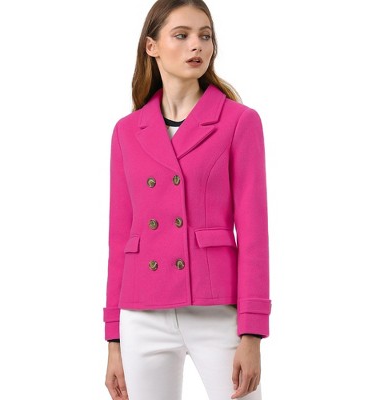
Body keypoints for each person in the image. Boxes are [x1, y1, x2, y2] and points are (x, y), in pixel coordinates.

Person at [103, 1, 272, 399]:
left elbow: (254, 234)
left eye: (205, 35)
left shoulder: (238, 121)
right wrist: (114, 339)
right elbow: (120, 238)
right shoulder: (127, 131)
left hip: (216, 309)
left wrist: (252, 331)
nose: (197, 45)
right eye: (181, 35)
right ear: (152, 47)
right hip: (142, 312)